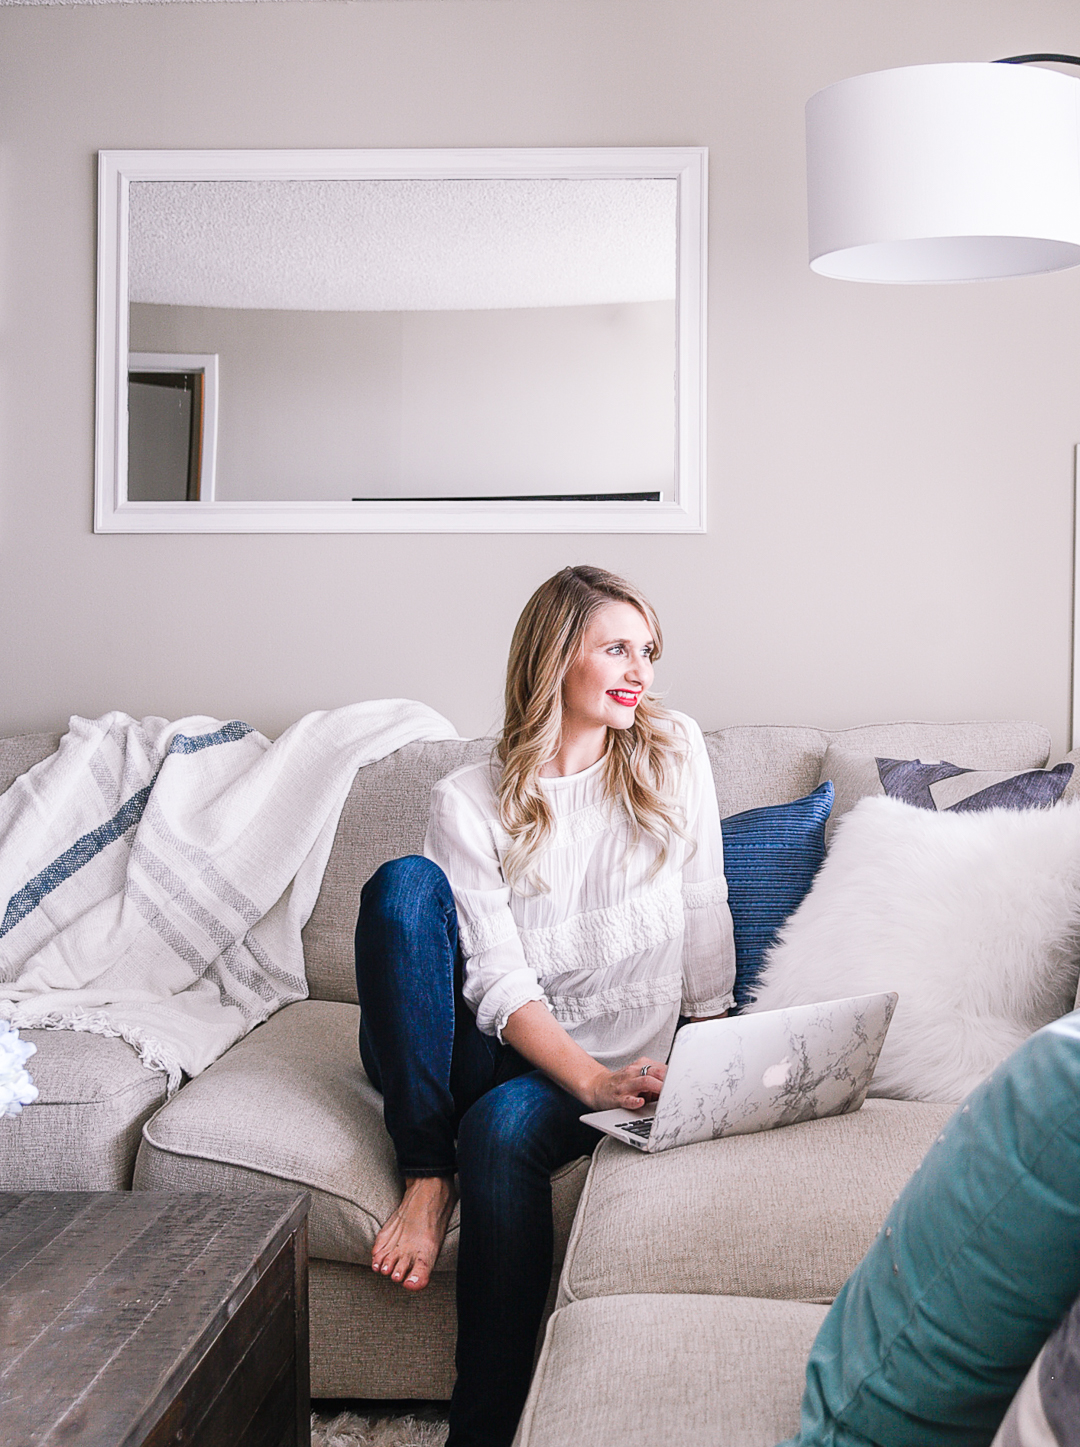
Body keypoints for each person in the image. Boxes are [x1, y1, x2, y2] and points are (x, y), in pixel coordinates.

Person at [354, 564, 737, 1447]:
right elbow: (496, 982)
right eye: (615, 648)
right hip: (475, 1044)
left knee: (498, 1131)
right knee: (404, 887)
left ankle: (482, 1434)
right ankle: (424, 1171)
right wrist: (593, 1079)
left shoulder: (672, 752)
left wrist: (711, 1059)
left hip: (587, 1063)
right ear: (555, 658)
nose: (639, 668)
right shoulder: (470, 799)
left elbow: (703, 907)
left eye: (648, 650)